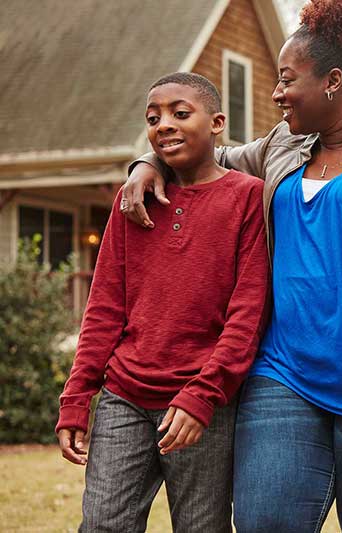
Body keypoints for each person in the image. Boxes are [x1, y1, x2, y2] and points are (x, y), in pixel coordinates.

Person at [120, 1, 342, 531]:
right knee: (265, 523)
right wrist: (147, 162)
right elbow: (203, 159)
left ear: (333, 81)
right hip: (284, 376)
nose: (276, 92)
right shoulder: (283, 147)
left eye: (287, 80)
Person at [55, 72, 268, 532]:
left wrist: (203, 395)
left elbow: (248, 315)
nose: (164, 125)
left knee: (200, 527)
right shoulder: (133, 200)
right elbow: (104, 307)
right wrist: (77, 396)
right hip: (124, 397)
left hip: (200, 404)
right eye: (153, 118)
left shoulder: (248, 197)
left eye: (180, 113)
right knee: (102, 525)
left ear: (217, 123)